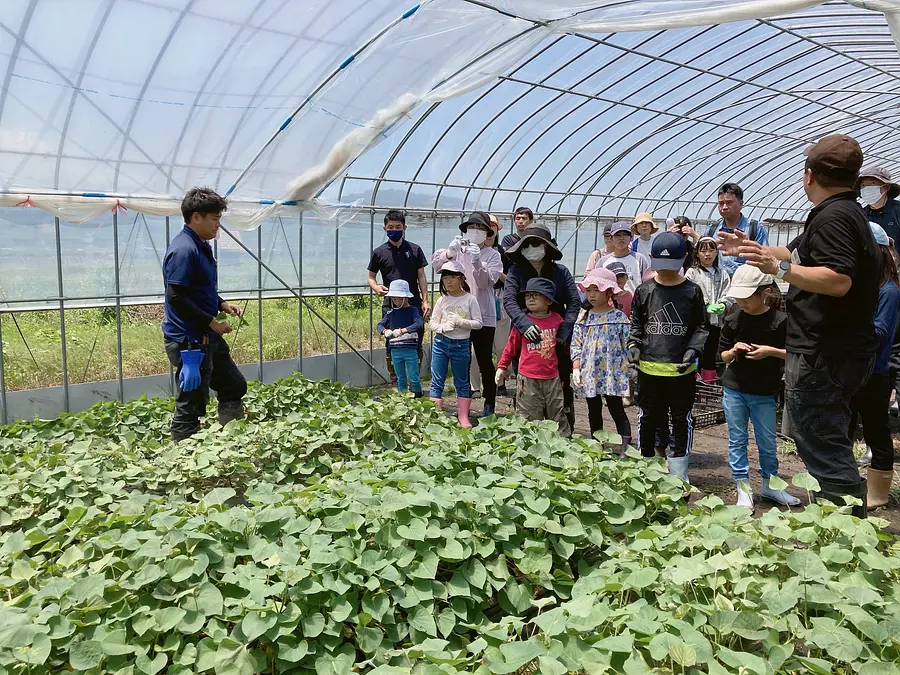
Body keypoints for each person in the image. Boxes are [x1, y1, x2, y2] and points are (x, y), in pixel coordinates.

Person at [718, 134, 879, 517]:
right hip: (840, 350)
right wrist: (753, 249)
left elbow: (837, 279)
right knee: (825, 439)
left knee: (820, 442)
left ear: (809, 175)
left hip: (825, 352)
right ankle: (844, 523)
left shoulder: (835, 217)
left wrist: (781, 269)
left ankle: (844, 530)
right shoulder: (842, 212)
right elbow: (794, 254)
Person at [162, 187, 247, 442]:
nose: (218, 226)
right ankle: (184, 455)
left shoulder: (199, 246)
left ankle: (232, 439)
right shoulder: (184, 250)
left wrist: (221, 305)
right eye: (215, 219)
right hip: (191, 340)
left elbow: (198, 289)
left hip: (206, 334)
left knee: (233, 384)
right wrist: (212, 322)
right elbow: (176, 296)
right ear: (196, 217)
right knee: (192, 401)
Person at [628, 231, 708, 482]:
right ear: (651, 259)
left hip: (680, 372)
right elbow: (636, 324)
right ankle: (646, 468)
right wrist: (634, 345)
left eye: (672, 267)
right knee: (648, 417)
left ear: (685, 259)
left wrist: (693, 349)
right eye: (660, 267)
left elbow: (701, 327)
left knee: (681, 419)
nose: (666, 272)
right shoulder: (644, 291)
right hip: (649, 370)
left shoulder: (692, 292)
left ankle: (679, 473)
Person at [719, 265, 799, 509]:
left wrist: (769, 352)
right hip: (735, 388)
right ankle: (743, 488)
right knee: (737, 439)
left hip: (764, 391)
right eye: (739, 298)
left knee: (767, 440)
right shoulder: (733, 319)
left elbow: (793, 354)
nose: (742, 302)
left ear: (763, 292)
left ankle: (771, 486)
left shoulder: (781, 321)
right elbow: (722, 356)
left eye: (746, 297)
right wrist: (734, 350)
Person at [503, 222, 581, 430]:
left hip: (557, 338)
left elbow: (574, 302)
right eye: (527, 245)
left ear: (547, 246)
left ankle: (565, 431)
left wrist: (565, 329)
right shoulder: (516, 272)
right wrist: (524, 324)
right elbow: (509, 300)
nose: (532, 249)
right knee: (528, 386)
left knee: (561, 386)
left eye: (537, 244)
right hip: (527, 340)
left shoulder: (561, 272)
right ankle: (530, 431)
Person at [849, 222, 900, 508]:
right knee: (844, 426)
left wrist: (850, 327)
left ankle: (878, 494)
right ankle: (845, 482)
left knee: (876, 431)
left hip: (875, 372)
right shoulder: (863, 285)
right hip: (851, 370)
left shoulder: (889, 291)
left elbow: (879, 333)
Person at [432, 212, 503, 416]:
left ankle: (490, 402)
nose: (476, 232)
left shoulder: (493, 255)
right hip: (456, 314)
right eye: (471, 228)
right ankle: (465, 404)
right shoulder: (457, 250)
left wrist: (477, 261)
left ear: (487, 232)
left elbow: (485, 282)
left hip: (482, 314)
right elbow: (438, 267)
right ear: (465, 231)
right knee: (461, 359)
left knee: (483, 359)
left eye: (480, 228)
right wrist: (449, 253)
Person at [495, 278, 571, 436]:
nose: (530, 298)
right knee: (528, 416)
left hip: (552, 378)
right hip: (527, 379)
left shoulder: (558, 320)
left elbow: (567, 348)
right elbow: (511, 346)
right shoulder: (523, 322)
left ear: (549, 300)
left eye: (536, 295)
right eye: (528, 295)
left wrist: (576, 367)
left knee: (557, 414)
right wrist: (502, 367)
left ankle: (562, 447)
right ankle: (529, 449)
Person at [367, 210, 430, 383]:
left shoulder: (415, 250)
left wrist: (425, 300)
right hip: (391, 305)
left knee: (415, 339)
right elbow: (371, 277)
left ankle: (414, 381)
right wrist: (376, 287)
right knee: (392, 340)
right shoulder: (379, 252)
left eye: (398, 227)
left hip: (413, 303)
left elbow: (422, 277)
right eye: (390, 227)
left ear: (404, 228)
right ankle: (396, 381)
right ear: (385, 228)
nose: (394, 230)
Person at [571, 268, 632, 446]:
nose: (591, 295)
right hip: (590, 372)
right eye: (588, 290)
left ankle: (625, 447)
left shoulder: (619, 317)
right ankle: (597, 445)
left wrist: (630, 366)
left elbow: (628, 344)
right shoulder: (583, 317)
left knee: (616, 408)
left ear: (609, 291)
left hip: (612, 373)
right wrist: (576, 367)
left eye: (596, 290)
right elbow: (576, 344)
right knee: (593, 408)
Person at [429, 261, 483, 427]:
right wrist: (443, 328)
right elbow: (432, 324)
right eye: (445, 278)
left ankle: (463, 416)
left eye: (452, 277)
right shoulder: (442, 300)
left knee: (461, 381)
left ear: (461, 279)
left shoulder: (470, 299)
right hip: (441, 343)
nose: (449, 281)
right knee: (437, 379)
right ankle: (435, 417)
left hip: (461, 345)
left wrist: (461, 322)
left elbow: (478, 323)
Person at [685, 236, 731, 383]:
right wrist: (704, 305)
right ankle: (692, 384)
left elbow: (728, 293)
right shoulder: (692, 273)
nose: (707, 254)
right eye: (703, 250)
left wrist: (723, 304)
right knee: (694, 352)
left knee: (710, 354)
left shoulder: (722, 273)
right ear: (697, 253)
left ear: (717, 253)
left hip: (715, 323)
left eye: (711, 250)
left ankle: (707, 386)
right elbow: (688, 293)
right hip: (697, 323)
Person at [376, 280, 425, 398]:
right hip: (395, 351)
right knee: (400, 376)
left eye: (399, 298)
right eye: (394, 299)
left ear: (406, 297)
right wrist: (385, 331)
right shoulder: (391, 312)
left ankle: (418, 395)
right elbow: (379, 325)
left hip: (410, 350)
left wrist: (403, 330)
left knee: (414, 375)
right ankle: (404, 398)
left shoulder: (413, 310)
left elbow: (419, 324)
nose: (397, 301)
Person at [707, 183, 770, 275]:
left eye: (729, 203)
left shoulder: (755, 228)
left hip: (746, 284)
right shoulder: (712, 230)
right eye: (721, 203)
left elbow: (765, 258)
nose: (724, 207)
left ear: (741, 204)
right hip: (718, 284)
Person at [597, 221, 651, 293]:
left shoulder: (640, 259)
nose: (621, 238)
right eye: (617, 235)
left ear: (631, 238)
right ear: (611, 238)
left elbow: (648, 284)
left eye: (625, 234)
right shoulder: (603, 261)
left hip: (634, 302)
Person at [858, 166, 900, 243]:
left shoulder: (897, 211)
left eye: (872, 183)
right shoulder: (861, 215)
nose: (867, 189)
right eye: (863, 185)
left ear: (886, 187)